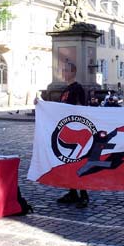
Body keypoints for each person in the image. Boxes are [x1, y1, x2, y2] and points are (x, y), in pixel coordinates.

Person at [56, 62, 89, 208]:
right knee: (69, 162)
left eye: (66, 71)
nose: (63, 73)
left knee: (78, 163)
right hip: (66, 131)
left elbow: (82, 107)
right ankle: (72, 192)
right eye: (62, 70)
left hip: (76, 130)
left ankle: (84, 194)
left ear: (73, 72)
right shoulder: (66, 89)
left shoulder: (78, 88)